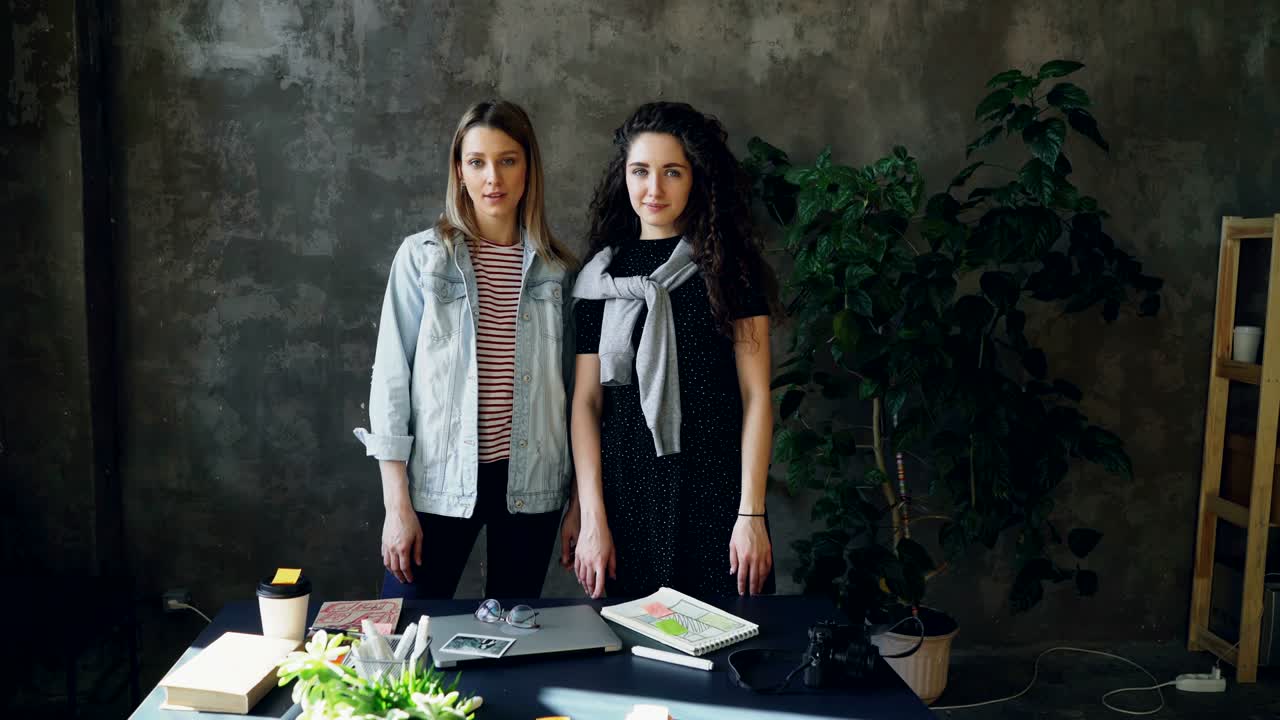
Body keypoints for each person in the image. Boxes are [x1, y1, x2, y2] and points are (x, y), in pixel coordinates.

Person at [354, 100, 577, 599]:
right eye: (477, 161)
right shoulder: (423, 258)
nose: (492, 177)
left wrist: (579, 502)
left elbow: (579, 398)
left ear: (529, 168)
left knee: (514, 646)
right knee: (403, 648)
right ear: (459, 170)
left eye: (508, 160)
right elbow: (391, 380)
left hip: (532, 488)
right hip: (437, 485)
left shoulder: (559, 272)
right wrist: (397, 506)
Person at [567, 101, 780, 599]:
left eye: (672, 172)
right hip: (624, 499)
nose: (654, 189)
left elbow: (756, 398)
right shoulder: (600, 279)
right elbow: (586, 403)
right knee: (625, 662)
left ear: (697, 179)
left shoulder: (731, 271)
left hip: (718, 495)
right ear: (624, 176)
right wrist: (593, 518)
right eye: (640, 171)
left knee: (728, 652)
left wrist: (751, 512)